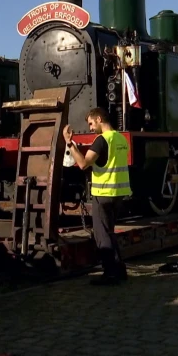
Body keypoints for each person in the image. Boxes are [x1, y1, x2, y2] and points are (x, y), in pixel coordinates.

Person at [62, 107, 131, 285]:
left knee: (102, 236)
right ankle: (119, 270)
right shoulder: (121, 138)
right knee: (110, 232)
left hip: (104, 193)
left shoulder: (102, 141)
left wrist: (70, 144)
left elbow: (84, 163)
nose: (91, 128)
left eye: (91, 124)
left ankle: (110, 274)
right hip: (119, 193)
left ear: (99, 119)